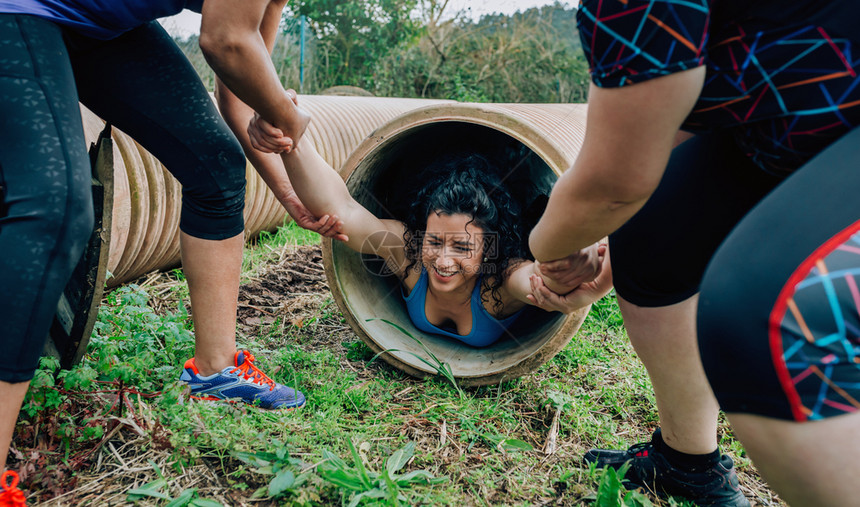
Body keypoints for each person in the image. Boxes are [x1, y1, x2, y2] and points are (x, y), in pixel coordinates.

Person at [0, 0, 343, 488]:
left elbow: (239, 83)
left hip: (101, 26)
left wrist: (286, 193)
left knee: (216, 166)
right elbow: (225, 42)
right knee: (56, 210)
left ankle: (215, 371)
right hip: (22, 10)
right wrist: (286, 111)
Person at [528, 1, 860, 506]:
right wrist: (615, 238)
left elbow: (611, 185)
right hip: (795, 123)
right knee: (651, 231)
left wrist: (548, 250)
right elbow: (666, 132)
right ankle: (687, 464)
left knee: (764, 313)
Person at [247, 108, 613, 346]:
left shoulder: (498, 283)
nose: (443, 259)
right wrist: (292, 142)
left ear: (490, 249)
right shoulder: (409, 258)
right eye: (435, 241)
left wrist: (586, 247)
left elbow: (541, 280)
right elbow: (341, 209)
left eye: (462, 247)